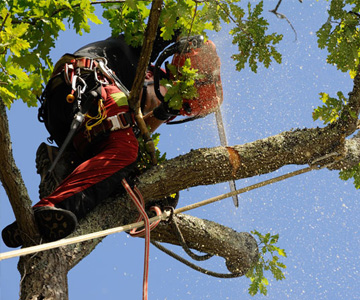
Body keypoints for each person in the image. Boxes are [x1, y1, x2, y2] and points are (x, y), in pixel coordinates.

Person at [2, 34, 179, 248]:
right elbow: (171, 26)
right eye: (154, 103)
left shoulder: (133, 86)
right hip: (87, 85)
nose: (150, 110)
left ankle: (64, 163)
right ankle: (53, 205)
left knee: (117, 173)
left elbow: (137, 129)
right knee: (126, 150)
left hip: (68, 115)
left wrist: (163, 113)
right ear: (151, 76)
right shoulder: (140, 47)